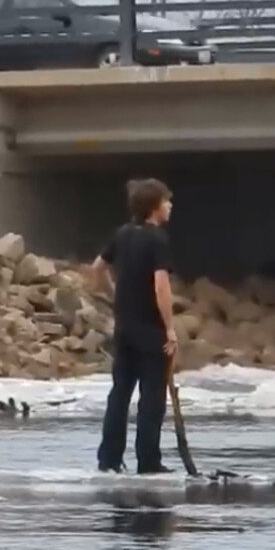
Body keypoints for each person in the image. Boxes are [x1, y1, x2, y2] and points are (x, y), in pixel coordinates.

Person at [90, 178, 178, 474]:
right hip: (151, 330)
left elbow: (97, 268)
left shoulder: (123, 234)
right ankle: (148, 461)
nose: (170, 206)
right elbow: (161, 287)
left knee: (120, 394)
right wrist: (170, 328)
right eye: (167, 201)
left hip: (124, 328)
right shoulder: (158, 240)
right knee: (152, 399)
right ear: (154, 207)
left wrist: (116, 294)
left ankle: (109, 459)